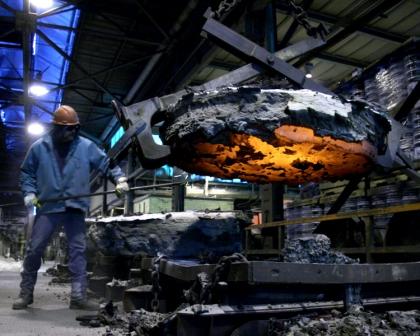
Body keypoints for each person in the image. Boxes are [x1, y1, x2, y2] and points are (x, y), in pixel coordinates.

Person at [12, 105, 129, 310]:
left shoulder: (86, 146)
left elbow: (106, 163)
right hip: (49, 207)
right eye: (68, 128)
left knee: (78, 252)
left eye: (75, 128)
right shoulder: (40, 147)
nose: (73, 132)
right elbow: (27, 173)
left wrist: (120, 179)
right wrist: (29, 193)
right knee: (34, 250)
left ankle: (78, 297)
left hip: (75, 207)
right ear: (56, 128)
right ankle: (26, 293)